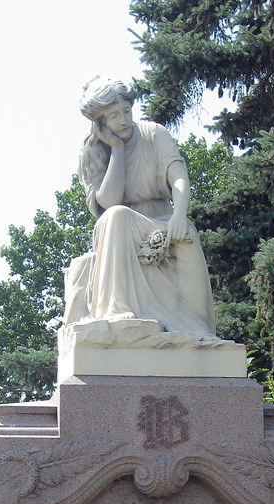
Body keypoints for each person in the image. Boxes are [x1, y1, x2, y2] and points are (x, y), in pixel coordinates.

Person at [62, 76, 218, 342]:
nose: (123, 120)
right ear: (100, 123)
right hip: (118, 230)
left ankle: (192, 331)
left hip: (166, 220)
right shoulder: (93, 150)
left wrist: (179, 214)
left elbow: (178, 176)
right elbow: (110, 202)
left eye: (126, 110)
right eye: (113, 116)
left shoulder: (154, 134)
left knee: (187, 241)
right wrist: (116, 149)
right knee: (117, 215)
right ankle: (119, 309)